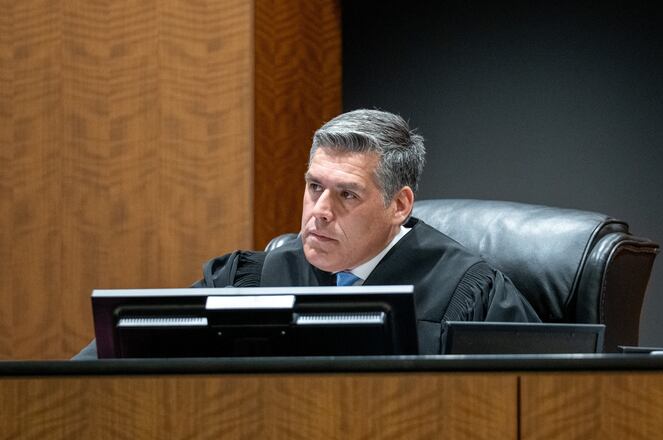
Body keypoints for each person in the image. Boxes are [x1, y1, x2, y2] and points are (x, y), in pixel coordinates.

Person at [74, 109, 539, 359]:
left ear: (398, 205)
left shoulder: (466, 291)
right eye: (314, 187)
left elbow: (531, 401)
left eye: (347, 195)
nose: (319, 212)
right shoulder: (256, 278)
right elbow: (124, 349)